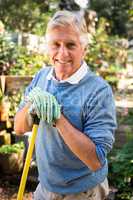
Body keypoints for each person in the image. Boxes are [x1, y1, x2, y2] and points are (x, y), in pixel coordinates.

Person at [14, 10, 117, 200]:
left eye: (71, 45)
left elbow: (95, 160)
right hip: (45, 186)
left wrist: (58, 118)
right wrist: (30, 107)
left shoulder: (98, 91)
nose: (62, 53)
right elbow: (18, 128)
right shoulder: (41, 78)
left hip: (83, 191)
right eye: (56, 44)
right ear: (48, 47)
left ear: (84, 49)